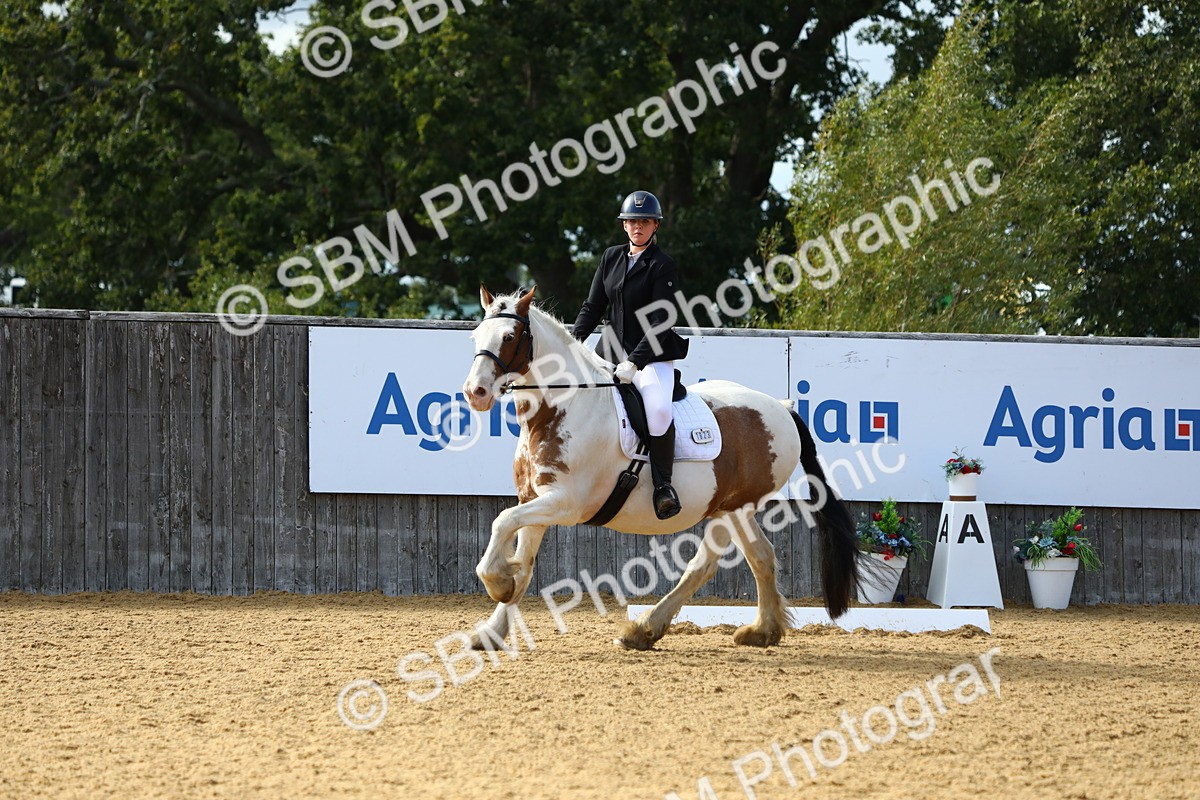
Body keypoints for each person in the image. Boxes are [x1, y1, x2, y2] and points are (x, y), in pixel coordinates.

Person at [572, 190, 689, 520]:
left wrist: (635, 362)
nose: (638, 227)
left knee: (659, 410)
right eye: (632, 221)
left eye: (645, 222)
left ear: (655, 227)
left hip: (650, 355)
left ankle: (663, 487)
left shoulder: (663, 265)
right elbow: (592, 307)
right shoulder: (610, 257)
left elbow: (661, 320)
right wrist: (574, 347)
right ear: (624, 226)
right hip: (609, 349)